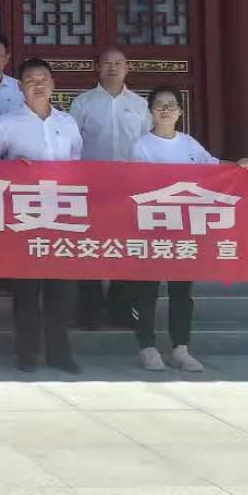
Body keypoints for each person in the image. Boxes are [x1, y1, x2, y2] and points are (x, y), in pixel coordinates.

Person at [130, 86, 248, 373]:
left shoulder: (189, 144)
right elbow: (134, 183)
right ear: (150, 111)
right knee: (147, 289)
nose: (165, 110)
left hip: (185, 228)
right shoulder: (141, 146)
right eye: (159, 104)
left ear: (180, 111)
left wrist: (238, 166)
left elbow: (214, 168)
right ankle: (147, 347)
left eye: (171, 105)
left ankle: (181, 348)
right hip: (151, 227)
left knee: (182, 291)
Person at [0, 58, 83, 374]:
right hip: (24, 214)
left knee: (61, 289)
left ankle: (59, 352)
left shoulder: (67, 122)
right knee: (26, 289)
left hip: (62, 213)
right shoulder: (7, 122)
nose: (38, 85)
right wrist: (11, 168)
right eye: (30, 80)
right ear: (20, 87)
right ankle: (26, 351)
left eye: (43, 79)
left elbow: (77, 162)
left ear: (53, 84)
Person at [70, 47, 153, 328]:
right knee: (89, 247)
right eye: (107, 63)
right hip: (92, 188)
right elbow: (73, 145)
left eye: (118, 63)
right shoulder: (83, 103)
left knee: (125, 248)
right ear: (98, 67)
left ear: (128, 68)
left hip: (131, 188)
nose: (113, 67)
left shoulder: (140, 105)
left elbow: (148, 145)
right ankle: (89, 311)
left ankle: (121, 309)